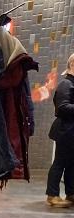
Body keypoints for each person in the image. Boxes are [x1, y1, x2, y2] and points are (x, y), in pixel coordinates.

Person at [46, 53, 74, 207]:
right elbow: (62, 108)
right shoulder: (66, 84)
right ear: (72, 65)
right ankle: (52, 195)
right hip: (65, 131)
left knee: (71, 164)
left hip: (70, 131)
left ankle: (71, 193)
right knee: (60, 162)